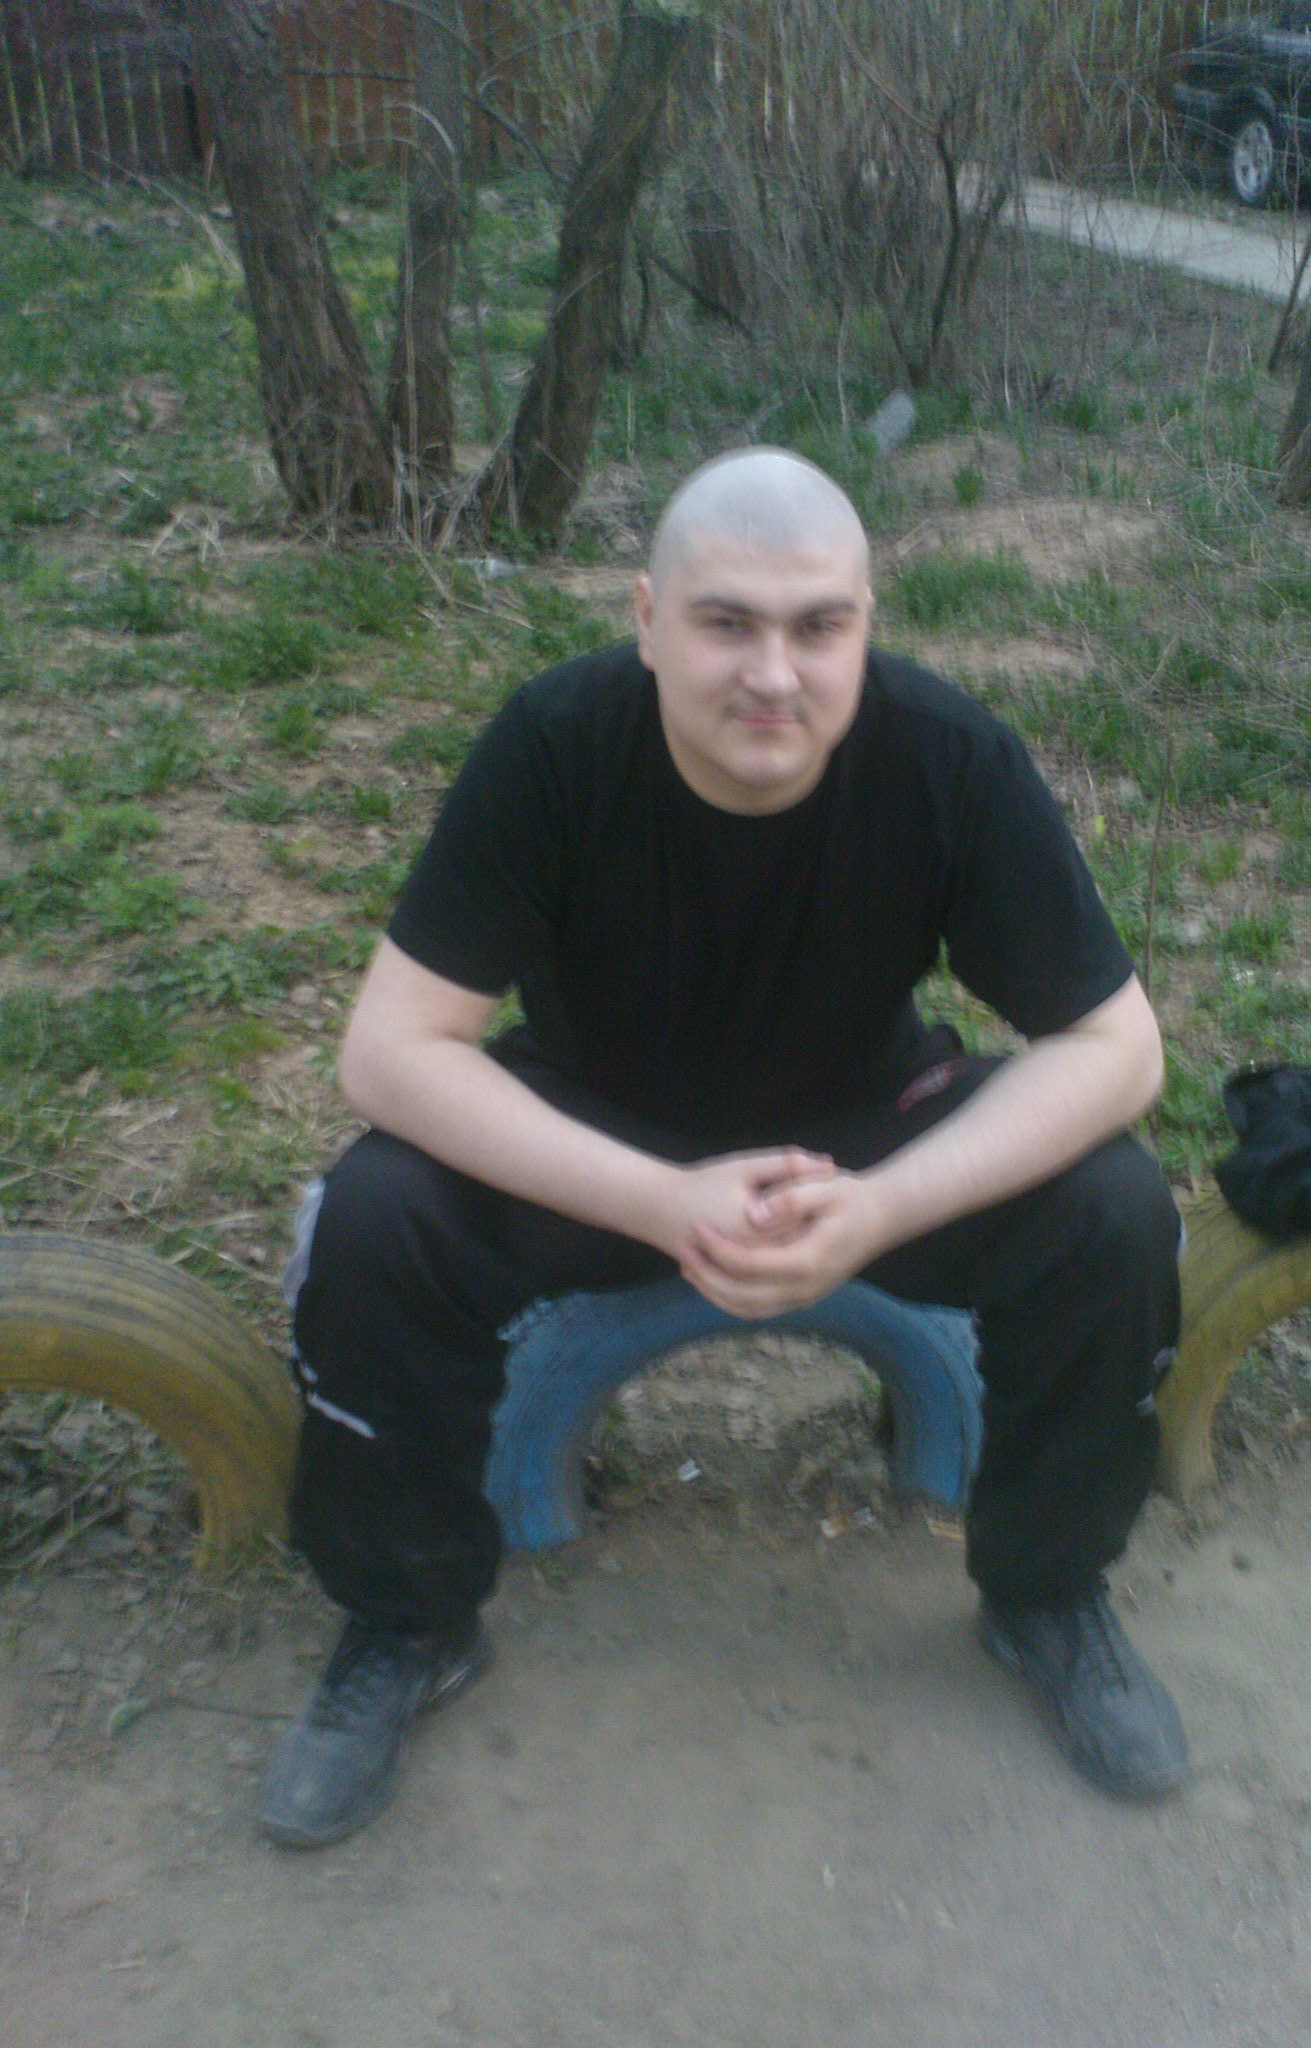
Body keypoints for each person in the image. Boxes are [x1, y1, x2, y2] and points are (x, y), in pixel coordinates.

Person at [260, 448, 1187, 1850]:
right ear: (647, 620)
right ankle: (406, 1623)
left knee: (1112, 1209)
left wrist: (881, 1207)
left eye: (820, 626)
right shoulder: (556, 743)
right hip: (601, 1123)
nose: (774, 674)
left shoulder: (946, 756)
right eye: (726, 623)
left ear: (867, 625)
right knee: (375, 1215)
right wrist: (659, 1198)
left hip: (860, 1131)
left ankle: (1046, 1595)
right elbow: (390, 1050)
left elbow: (1120, 1050)